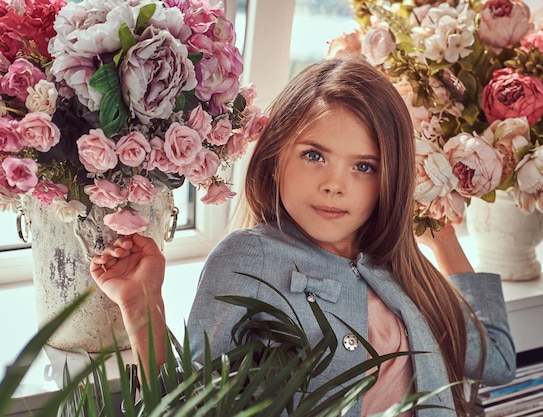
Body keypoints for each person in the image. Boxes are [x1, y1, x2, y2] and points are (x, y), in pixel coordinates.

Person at [90, 57, 516, 417]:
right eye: (315, 156)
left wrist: (443, 242)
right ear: (275, 159)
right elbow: (188, 406)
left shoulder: (402, 268)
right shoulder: (247, 259)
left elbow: (497, 360)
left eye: (363, 166)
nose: (335, 185)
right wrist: (143, 305)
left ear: (389, 177)